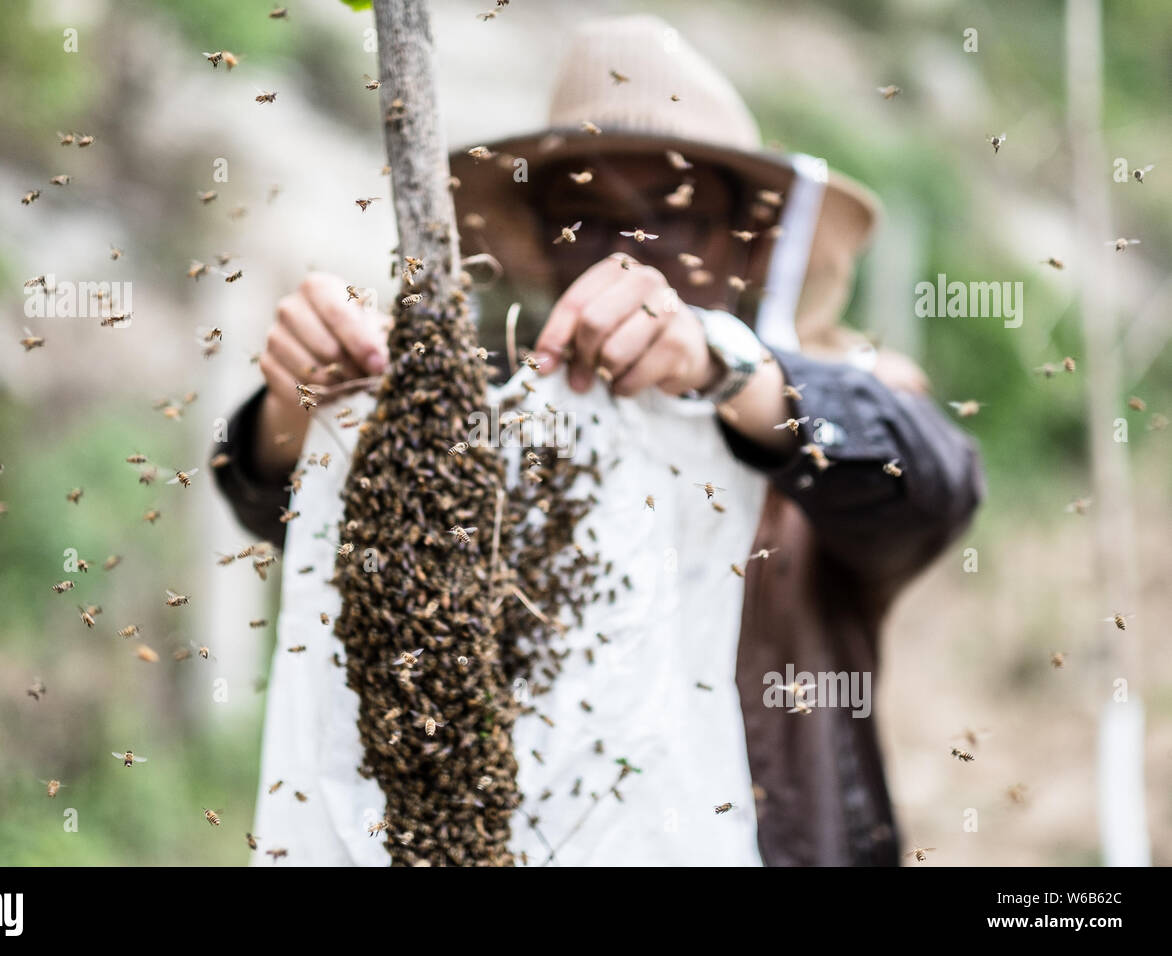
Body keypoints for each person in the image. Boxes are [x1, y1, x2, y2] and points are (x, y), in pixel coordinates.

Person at [214, 14, 983, 866]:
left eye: (670, 215)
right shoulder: (506, 424)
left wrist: (724, 369)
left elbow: (938, 482)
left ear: (740, 239)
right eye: (584, 215)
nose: (628, 250)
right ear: (542, 240)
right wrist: (297, 408)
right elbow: (300, 516)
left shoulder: (825, 394)